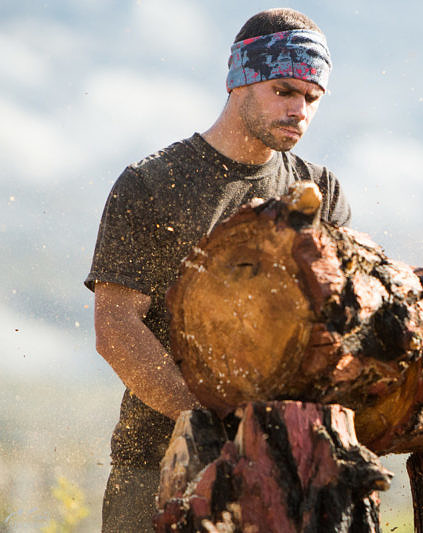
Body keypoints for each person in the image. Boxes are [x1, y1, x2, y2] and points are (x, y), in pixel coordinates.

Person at [85, 8, 350, 530]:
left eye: (311, 98)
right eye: (283, 90)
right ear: (239, 81)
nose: (299, 109)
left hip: (289, 470)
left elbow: (337, 326)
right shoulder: (154, 183)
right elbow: (115, 328)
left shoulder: (321, 191)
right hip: (158, 465)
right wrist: (211, 425)